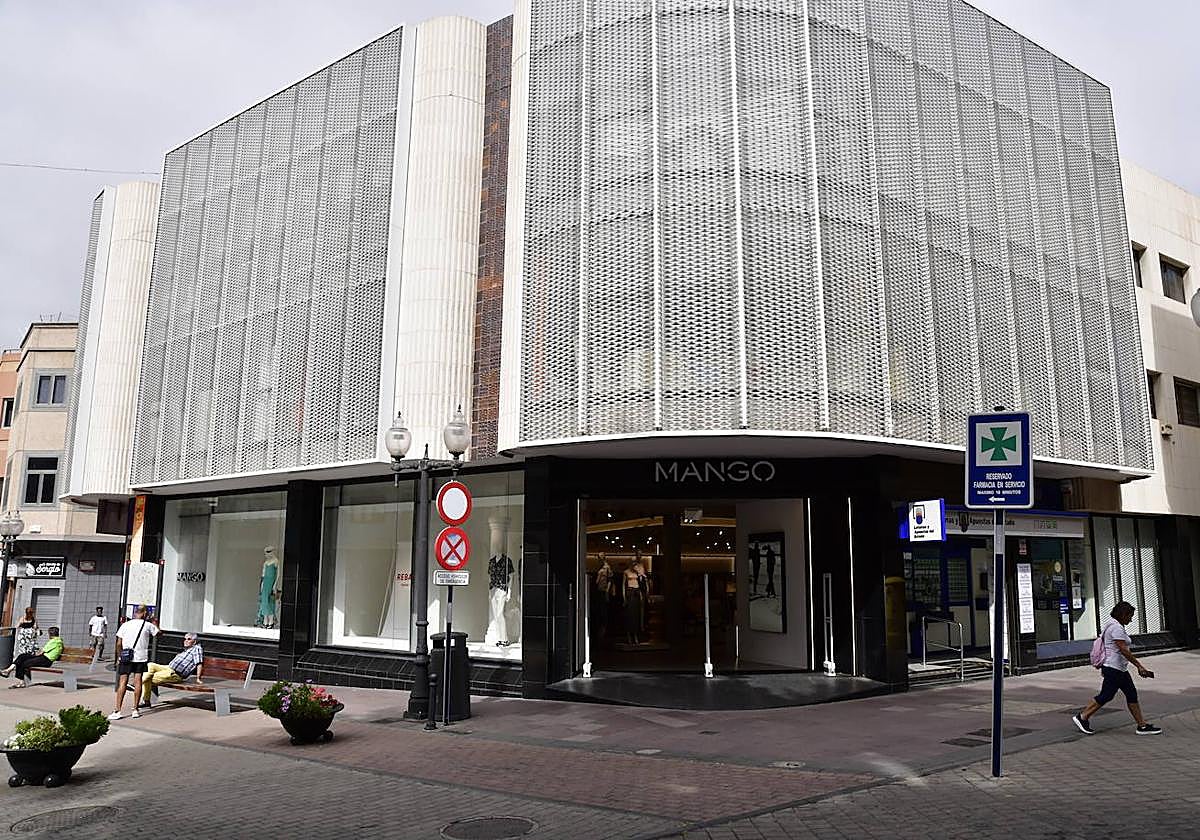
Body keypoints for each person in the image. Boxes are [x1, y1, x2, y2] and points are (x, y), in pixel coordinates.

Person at [1073, 601, 1162, 736]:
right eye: (1130, 616)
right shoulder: (1116, 628)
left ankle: (1142, 726)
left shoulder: (1113, 625)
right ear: (1122, 614)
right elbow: (1123, 650)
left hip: (1119, 668)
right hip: (1113, 668)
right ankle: (1083, 716)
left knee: (1131, 694)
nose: (1131, 619)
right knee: (1106, 695)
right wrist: (1139, 666)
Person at [110, 606, 159, 721]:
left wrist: (119, 656)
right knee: (138, 682)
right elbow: (159, 633)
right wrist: (154, 622)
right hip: (141, 657)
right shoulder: (147, 625)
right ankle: (135, 709)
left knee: (123, 682)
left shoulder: (125, 625)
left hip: (126, 657)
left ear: (135, 613)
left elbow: (118, 643)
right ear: (145, 614)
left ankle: (118, 710)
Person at [139, 632, 204, 708]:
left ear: (195, 641)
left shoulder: (197, 649)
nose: (186, 641)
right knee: (150, 665)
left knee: (149, 678)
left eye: (189, 639)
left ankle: (142, 692)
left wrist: (198, 678)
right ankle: (140, 682)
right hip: (168, 668)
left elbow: (199, 663)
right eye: (185, 639)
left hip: (175, 673)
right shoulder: (187, 649)